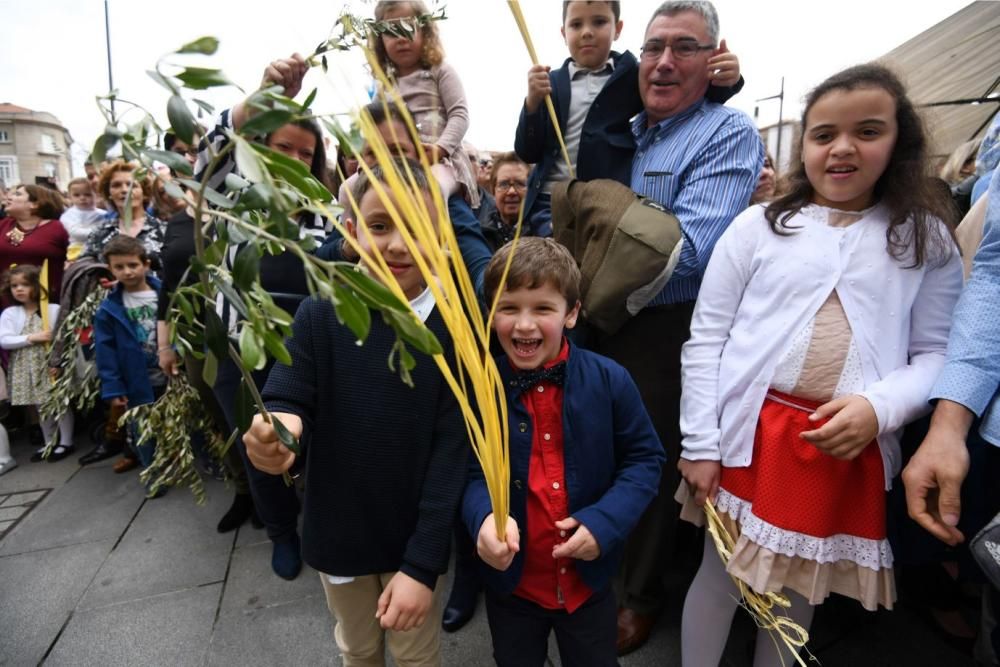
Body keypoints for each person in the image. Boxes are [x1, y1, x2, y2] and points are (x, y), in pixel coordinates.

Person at [677, 63, 963, 666]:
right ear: (802, 144)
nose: (842, 148)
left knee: (795, 590)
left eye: (867, 131)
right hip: (745, 440)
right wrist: (700, 442)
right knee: (720, 577)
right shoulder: (758, 226)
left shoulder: (925, 241)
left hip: (837, 449)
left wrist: (879, 407)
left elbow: (937, 352)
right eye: (823, 134)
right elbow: (706, 339)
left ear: (899, 142)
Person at [243, 159, 468, 666]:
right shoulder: (320, 312)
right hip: (338, 530)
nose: (397, 244)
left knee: (416, 654)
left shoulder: (456, 328)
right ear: (350, 230)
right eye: (380, 225)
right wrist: (278, 428)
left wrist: (423, 563)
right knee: (357, 646)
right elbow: (289, 389)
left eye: (416, 226)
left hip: (413, 536)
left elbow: (453, 451)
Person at [589, 1, 763, 654]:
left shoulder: (726, 132)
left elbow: (685, 250)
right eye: (655, 46)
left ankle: (639, 594)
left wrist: (592, 265)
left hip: (664, 326)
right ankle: (605, 566)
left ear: (714, 58)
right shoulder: (622, 130)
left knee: (651, 458)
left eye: (685, 47)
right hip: (597, 313)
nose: (664, 62)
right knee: (599, 447)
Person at [465, 237, 663, 666]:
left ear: (571, 313)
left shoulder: (611, 380)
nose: (524, 325)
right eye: (509, 307)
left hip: (588, 587)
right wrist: (482, 518)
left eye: (542, 308)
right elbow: (469, 471)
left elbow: (645, 460)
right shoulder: (482, 390)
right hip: (512, 588)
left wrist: (604, 522)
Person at [193, 55, 333, 580]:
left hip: (305, 354)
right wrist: (261, 96)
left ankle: (318, 521)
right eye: (283, 147)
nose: (296, 159)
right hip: (240, 350)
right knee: (260, 448)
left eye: (306, 151)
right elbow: (210, 150)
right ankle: (281, 533)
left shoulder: (324, 210)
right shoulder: (230, 195)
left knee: (309, 443)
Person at [515, 0, 742, 233]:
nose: (587, 32)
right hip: (549, 198)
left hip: (603, 201)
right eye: (576, 24)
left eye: (599, 22)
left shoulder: (632, 74)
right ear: (563, 33)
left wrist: (727, 81)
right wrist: (531, 103)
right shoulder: (549, 82)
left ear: (618, 29)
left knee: (590, 260)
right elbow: (527, 150)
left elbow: (683, 96)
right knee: (544, 260)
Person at [372, 0, 479, 207]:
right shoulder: (384, 88)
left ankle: (443, 238)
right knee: (348, 189)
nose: (401, 38)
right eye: (391, 31)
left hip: (441, 162)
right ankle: (347, 238)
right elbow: (374, 130)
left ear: (426, 32)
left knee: (432, 188)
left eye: (409, 27)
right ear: (380, 40)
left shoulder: (439, 71)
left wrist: (441, 148)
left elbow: (460, 114)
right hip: (396, 165)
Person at [93, 235, 166, 485]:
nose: (127, 271)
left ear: (145, 264)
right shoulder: (108, 309)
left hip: (171, 374)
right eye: (119, 267)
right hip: (136, 380)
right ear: (111, 270)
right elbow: (105, 350)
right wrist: (113, 387)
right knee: (143, 431)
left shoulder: (164, 294)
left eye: (133, 265)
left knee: (180, 422)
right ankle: (153, 473)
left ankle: (191, 464)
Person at [0, 265, 71, 461]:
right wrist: (33, 337)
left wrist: (59, 362)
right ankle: (49, 441)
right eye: (15, 285)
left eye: (25, 284)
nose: (19, 289)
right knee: (41, 407)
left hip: (48, 363)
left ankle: (66, 441)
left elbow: (62, 337)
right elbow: (4, 340)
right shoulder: (10, 314)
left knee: (58, 403)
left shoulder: (52, 310)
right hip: (26, 365)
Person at [82, 160, 167, 276]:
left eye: (132, 185)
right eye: (116, 185)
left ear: (144, 192)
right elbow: (85, 271)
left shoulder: (164, 231)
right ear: (109, 194)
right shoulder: (99, 234)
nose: (125, 190)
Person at [0, 184, 69, 305]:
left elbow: (75, 258)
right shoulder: (3, 225)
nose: (9, 197)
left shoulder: (58, 228)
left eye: (17, 194)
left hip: (47, 304)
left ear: (35, 204)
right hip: (6, 306)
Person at [480, 152, 537, 250]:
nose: (511, 191)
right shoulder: (479, 234)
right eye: (504, 184)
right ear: (493, 190)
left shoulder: (543, 232)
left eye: (519, 184)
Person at [59, 177, 107, 260]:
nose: (82, 198)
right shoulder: (68, 215)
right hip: (77, 250)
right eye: (76, 195)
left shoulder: (103, 214)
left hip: (101, 250)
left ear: (96, 195)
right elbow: (76, 233)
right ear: (70, 196)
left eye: (87, 194)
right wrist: (100, 232)